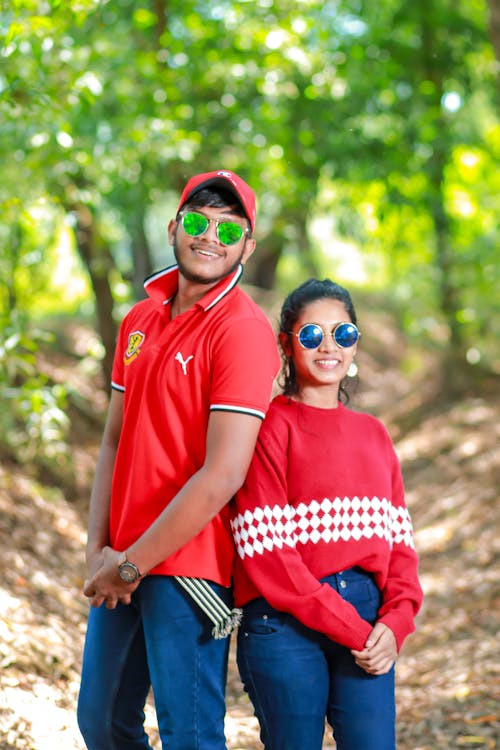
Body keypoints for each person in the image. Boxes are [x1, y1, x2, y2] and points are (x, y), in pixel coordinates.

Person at [77, 169, 281, 750]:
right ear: (173, 228)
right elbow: (114, 441)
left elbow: (223, 475)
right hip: (122, 558)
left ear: (248, 244)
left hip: (190, 566)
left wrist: (132, 564)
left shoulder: (242, 331)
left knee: (188, 735)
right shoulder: (137, 321)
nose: (208, 236)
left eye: (228, 227)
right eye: (196, 221)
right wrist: (99, 549)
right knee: (103, 723)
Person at [230, 278, 423, 750]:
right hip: (282, 620)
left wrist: (394, 624)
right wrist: (354, 630)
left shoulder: (374, 435)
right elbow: (268, 555)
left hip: (367, 614)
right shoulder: (267, 428)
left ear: (356, 343)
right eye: (312, 335)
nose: (329, 346)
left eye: (343, 334)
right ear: (287, 344)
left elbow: (400, 550)